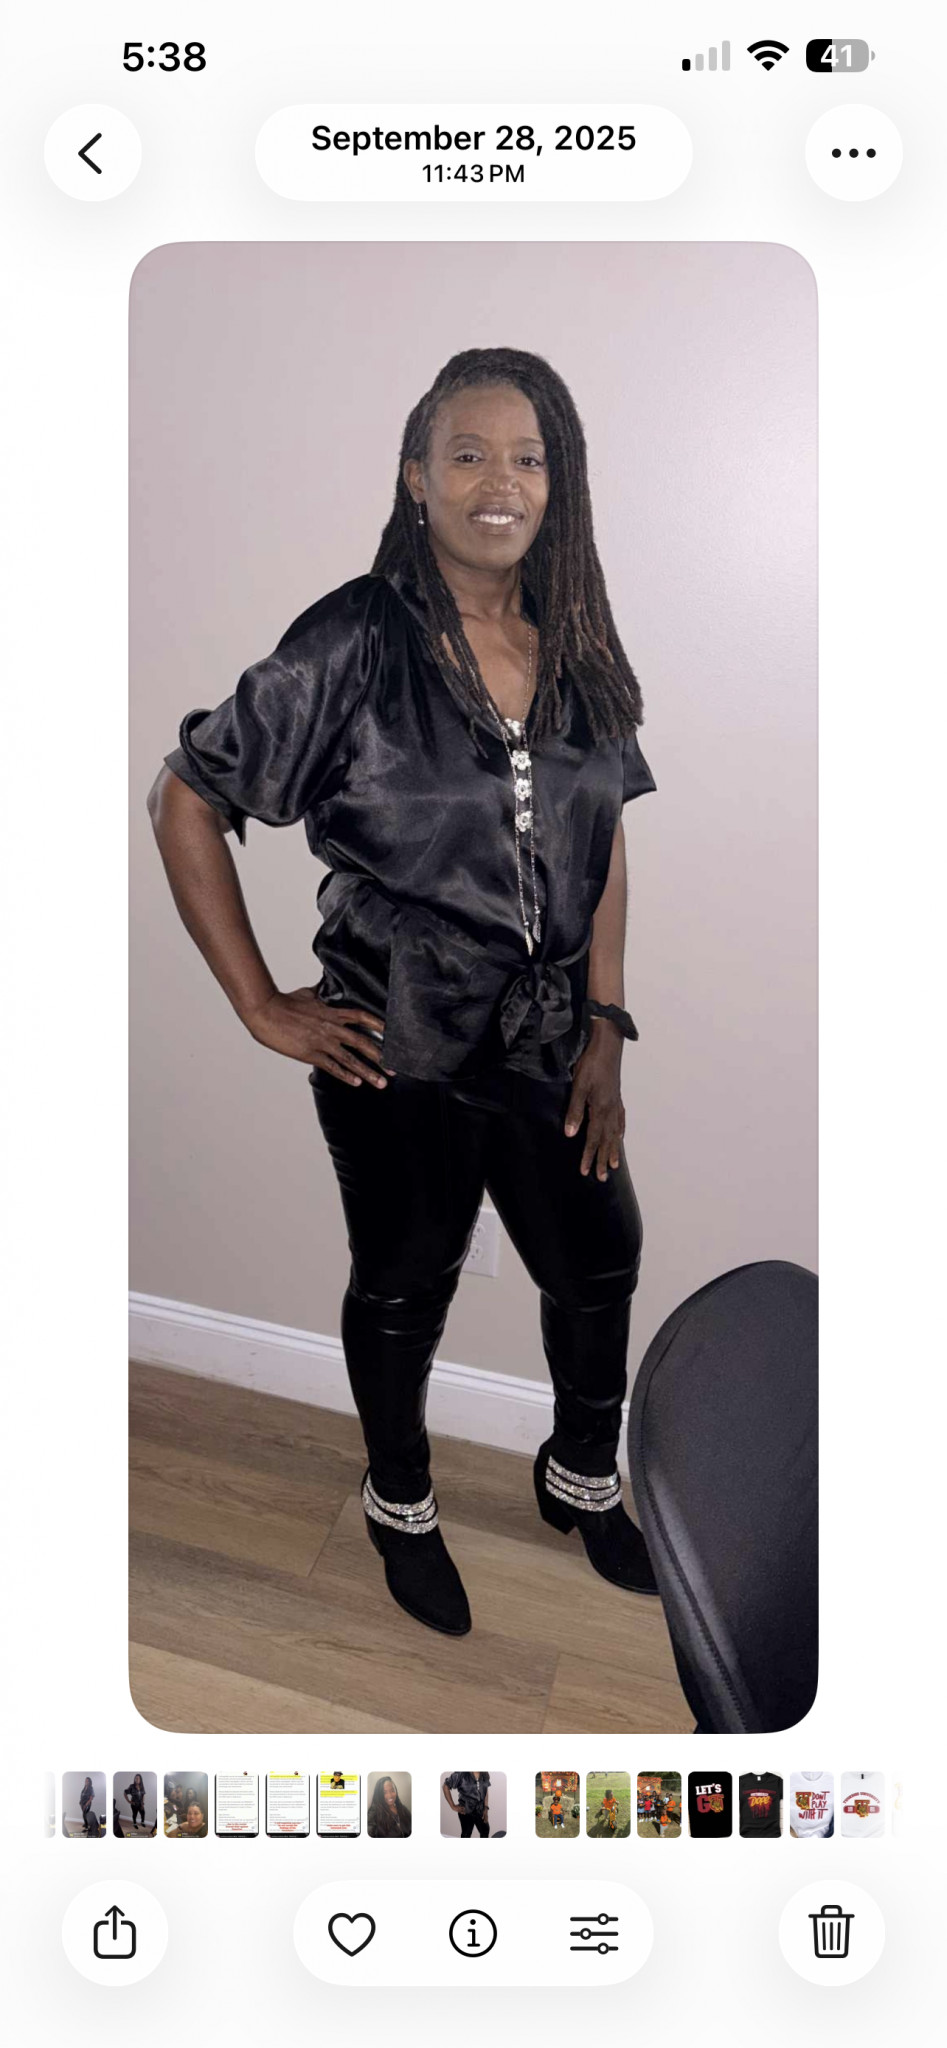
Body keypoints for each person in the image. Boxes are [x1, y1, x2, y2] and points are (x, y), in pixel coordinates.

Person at [149, 345, 659, 1640]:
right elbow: (187, 796)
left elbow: (602, 842)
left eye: (528, 457)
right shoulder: (354, 638)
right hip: (397, 1038)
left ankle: (579, 1475)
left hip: (547, 1037)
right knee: (404, 1279)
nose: (500, 481)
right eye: (468, 453)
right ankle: (398, 1498)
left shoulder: (576, 641)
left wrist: (603, 1026)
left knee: (597, 1258)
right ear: (416, 475)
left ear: (557, 482)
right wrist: (260, 1003)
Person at [443, 1770, 491, 1839]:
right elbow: (445, 1786)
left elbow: (485, 1791)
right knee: (466, 1834)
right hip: (465, 1811)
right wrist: (453, 1806)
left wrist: (485, 1808)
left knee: (485, 1831)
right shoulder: (460, 1773)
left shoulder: (484, 1773)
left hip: (480, 1810)